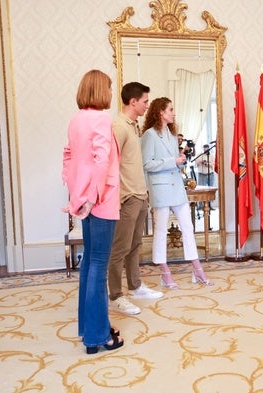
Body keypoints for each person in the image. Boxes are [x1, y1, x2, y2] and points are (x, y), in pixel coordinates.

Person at [62, 69, 124, 354]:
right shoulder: (101, 118)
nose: (111, 93)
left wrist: (77, 193)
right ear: (101, 90)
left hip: (85, 200)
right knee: (98, 265)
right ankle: (98, 337)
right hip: (100, 200)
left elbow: (68, 157)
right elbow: (101, 161)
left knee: (89, 263)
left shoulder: (76, 120)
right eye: (109, 88)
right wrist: (91, 196)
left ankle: (89, 328)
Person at [141, 97, 213, 289]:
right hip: (161, 189)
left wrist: (179, 159)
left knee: (188, 227)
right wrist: (173, 161)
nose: (173, 112)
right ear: (160, 112)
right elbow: (146, 164)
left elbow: (173, 160)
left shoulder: (172, 134)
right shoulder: (149, 135)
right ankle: (164, 272)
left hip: (176, 187)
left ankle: (197, 269)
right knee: (161, 231)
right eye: (170, 109)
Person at [107, 82, 163, 317]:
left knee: (135, 246)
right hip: (127, 197)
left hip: (140, 195)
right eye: (145, 102)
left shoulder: (133, 126)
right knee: (119, 248)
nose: (147, 106)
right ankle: (115, 296)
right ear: (133, 102)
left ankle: (136, 285)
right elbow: (110, 164)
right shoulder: (118, 126)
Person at [195, 143, 216, 211]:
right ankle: (200, 206)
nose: (205, 149)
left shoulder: (212, 156)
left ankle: (210, 205)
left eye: (207, 148)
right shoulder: (200, 155)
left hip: (210, 174)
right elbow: (196, 164)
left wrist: (207, 164)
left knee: (210, 191)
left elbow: (213, 165)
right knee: (200, 190)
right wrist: (201, 162)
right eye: (204, 148)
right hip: (202, 174)